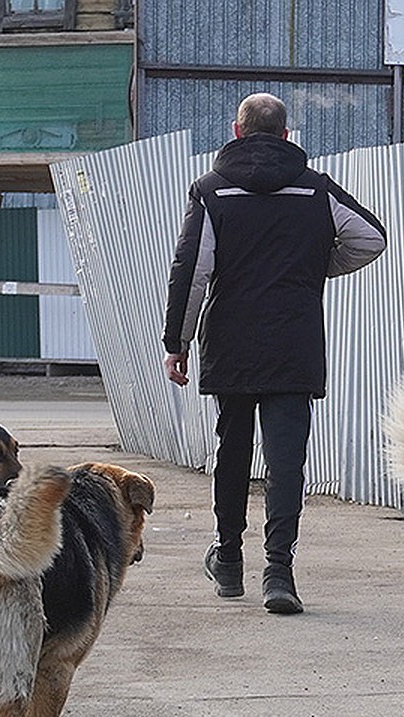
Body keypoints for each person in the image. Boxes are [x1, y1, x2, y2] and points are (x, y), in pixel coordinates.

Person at [163, 93, 386, 614]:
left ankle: (230, 561)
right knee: (287, 459)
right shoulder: (315, 188)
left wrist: (177, 343)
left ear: (237, 132)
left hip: (232, 341)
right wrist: (313, 267)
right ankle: (279, 573)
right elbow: (370, 238)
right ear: (287, 136)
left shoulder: (212, 191)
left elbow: (192, 270)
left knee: (232, 451)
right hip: (294, 339)